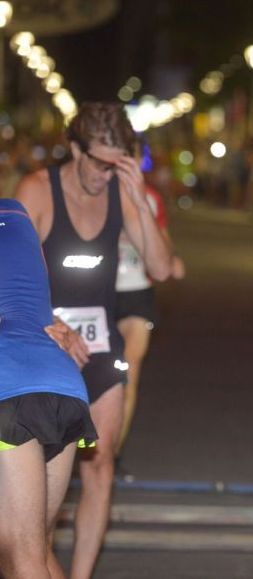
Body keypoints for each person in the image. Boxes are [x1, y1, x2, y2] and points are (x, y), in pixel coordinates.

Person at [15, 102, 172, 579]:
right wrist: (50, 321)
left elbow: (162, 268)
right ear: (76, 149)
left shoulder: (122, 194)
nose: (106, 175)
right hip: (46, 353)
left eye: (117, 164)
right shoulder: (38, 191)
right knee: (41, 495)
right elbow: (9, 272)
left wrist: (139, 198)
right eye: (100, 163)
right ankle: (37, 561)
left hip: (101, 348)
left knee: (100, 464)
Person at [0, 198, 97, 579]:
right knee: (33, 550)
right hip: (62, 380)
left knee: (21, 557)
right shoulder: (17, 213)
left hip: (10, 387)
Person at [114, 179, 185, 461]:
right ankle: (85, 449)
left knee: (127, 373)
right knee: (91, 375)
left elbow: (164, 239)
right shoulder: (92, 189)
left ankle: (112, 453)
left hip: (137, 293)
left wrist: (172, 259)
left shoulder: (150, 196)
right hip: (96, 294)